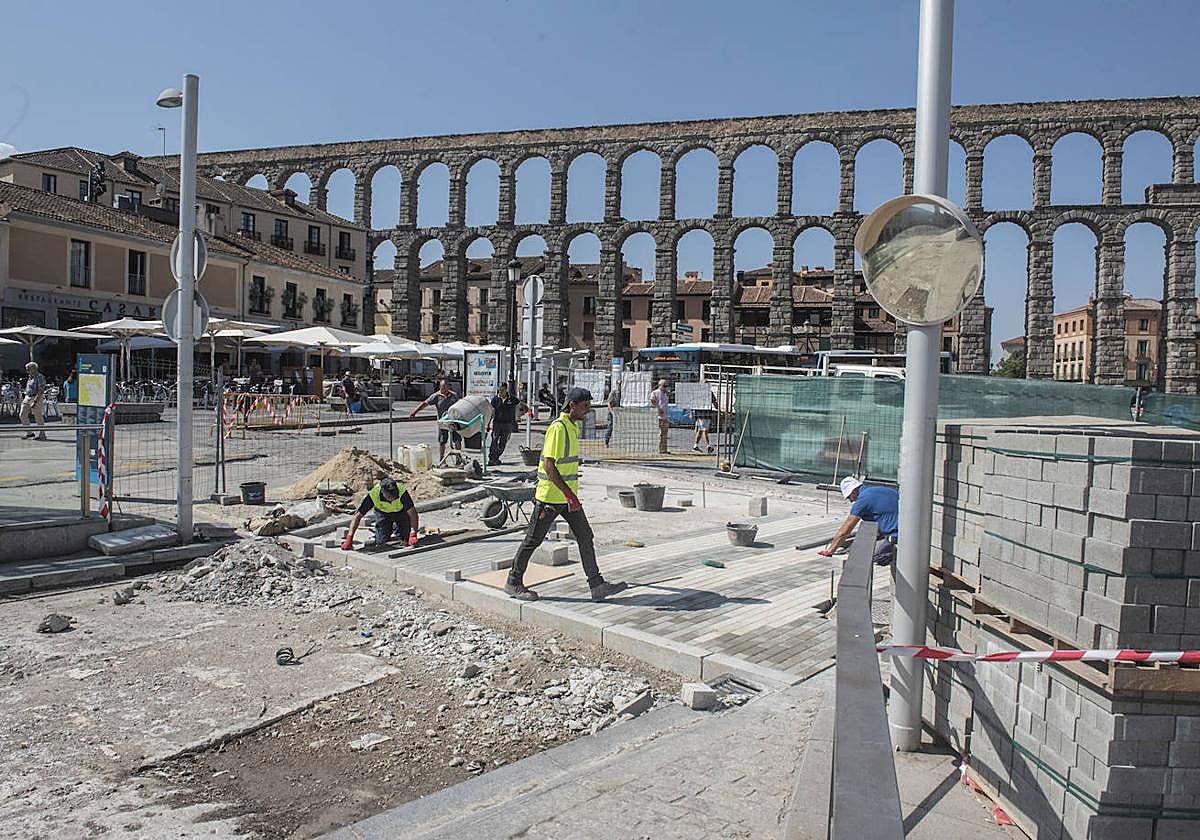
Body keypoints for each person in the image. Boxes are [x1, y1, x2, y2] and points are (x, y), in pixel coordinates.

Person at [503, 387, 628, 603]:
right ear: (572, 406)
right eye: (585, 407)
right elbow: (550, 465)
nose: (588, 412)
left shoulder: (571, 427)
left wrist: (570, 494)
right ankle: (513, 582)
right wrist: (569, 494)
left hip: (566, 498)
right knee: (533, 540)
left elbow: (564, 462)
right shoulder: (558, 428)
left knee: (585, 536)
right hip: (551, 498)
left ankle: (596, 585)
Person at [818, 476, 899, 565]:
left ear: (854, 491)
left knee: (877, 558)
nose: (851, 501)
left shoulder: (863, 500)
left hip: (897, 535)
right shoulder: (880, 490)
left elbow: (846, 529)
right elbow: (883, 515)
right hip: (910, 531)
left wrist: (830, 550)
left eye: (849, 497)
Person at [341, 477, 419, 549]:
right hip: (383, 514)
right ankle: (387, 530)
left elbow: (413, 513)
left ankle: (398, 529)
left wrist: (413, 534)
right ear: (382, 492)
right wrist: (349, 538)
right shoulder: (373, 494)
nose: (392, 498)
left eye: (394, 495)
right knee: (382, 542)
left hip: (401, 513)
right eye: (389, 496)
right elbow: (357, 516)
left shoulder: (402, 491)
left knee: (405, 539)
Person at [410, 378, 460, 460]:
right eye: (441, 387)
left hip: (454, 421)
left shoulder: (454, 395)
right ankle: (442, 460)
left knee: (457, 439)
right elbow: (425, 403)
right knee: (442, 441)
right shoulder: (436, 396)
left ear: (448, 387)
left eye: (445, 387)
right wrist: (415, 411)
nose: (443, 389)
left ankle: (458, 458)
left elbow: (460, 405)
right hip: (443, 422)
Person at [487, 382, 523, 464]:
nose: (500, 392)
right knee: (494, 440)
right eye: (499, 390)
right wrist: (488, 424)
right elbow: (491, 411)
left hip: (507, 424)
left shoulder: (512, 399)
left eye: (502, 390)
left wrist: (518, 416)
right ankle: (492, 458)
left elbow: (520, 406)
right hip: (497, 423)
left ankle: (496, 457)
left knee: (503, 442)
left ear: (506, 390)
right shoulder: (495, 399)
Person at [19, 361, 47, 441]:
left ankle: (42, 434)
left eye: (28, 368)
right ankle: (29, 432)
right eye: (26, 368)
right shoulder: (30, 377)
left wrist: (35, 401)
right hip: (27, 397)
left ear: (34, 368)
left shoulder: (40, 377)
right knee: (22, 414)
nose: (27, 370)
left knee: (38, 416)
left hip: (36, 397)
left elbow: (41, 390)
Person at [692, 384, 717, 454]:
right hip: (702, 414)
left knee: (700, 430)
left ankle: (695, 446)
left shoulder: (708, 392)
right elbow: (692, 402)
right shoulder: (701, 393)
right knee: (704, 430)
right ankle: (708, 446)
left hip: (706, 414)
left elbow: (714, 402)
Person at [649, 378, 670, 454]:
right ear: (659, 385)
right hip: (658, 416)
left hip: (665, 416)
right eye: (664, 386)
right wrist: (658, 409)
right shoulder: (655, 392)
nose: (666, 387)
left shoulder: (665, 393)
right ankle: (658, 449)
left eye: (667, 385)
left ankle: (664, 450)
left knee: (664, 434)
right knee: (659, 434)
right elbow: (652, 402)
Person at [604, 382, 621, 447]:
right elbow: (609, 403)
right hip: (612, 412)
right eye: (618, 384)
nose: (619, 386)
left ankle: (618, 441)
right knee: (610, 427)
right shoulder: (613, 393)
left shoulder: (622, 393)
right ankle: (606, 442)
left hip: (619, 412)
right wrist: (612, 412)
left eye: (620, 384)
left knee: (619, 427)